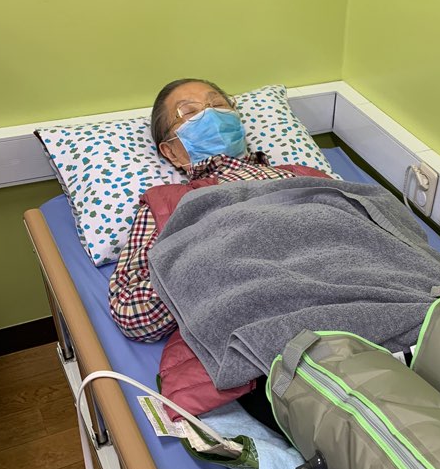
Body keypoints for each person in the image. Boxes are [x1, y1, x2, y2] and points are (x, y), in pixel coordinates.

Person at [108, 78, 328, 342]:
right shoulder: (167, 203)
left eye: (218, 104)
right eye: (189, 112)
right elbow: (132, 312)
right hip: (276, 322)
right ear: (171, 153)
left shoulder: (304, 175)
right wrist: (215, 262)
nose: (210, 114)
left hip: (349, 284)